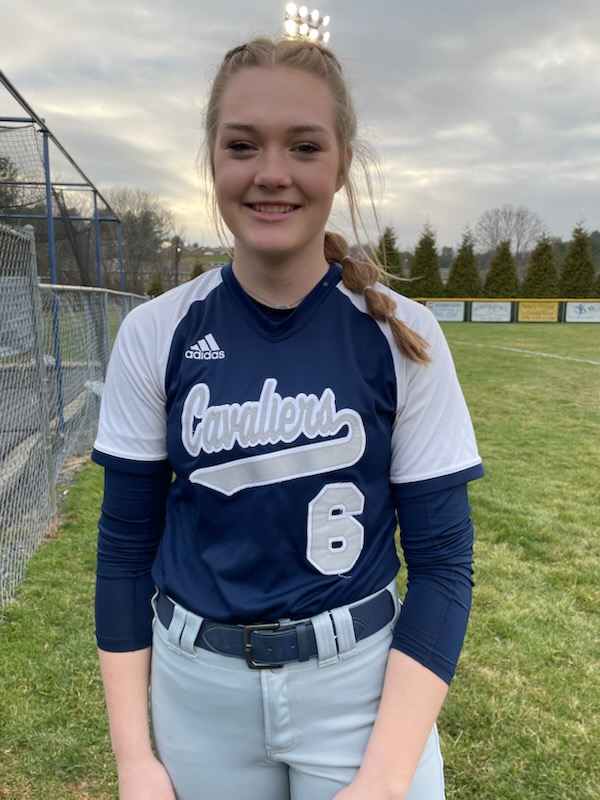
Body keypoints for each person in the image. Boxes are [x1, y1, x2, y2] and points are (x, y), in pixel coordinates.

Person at [93, 34, 484, 800]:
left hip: (361, 687)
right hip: (199, 695)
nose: (271, 172)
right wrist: (134, 760)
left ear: (341, 165)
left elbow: (443, 564)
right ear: (212, 160)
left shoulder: (403, 336)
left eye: (304, 146)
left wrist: (385, 779)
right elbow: (124, 553)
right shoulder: (157, 331)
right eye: (243, 145)